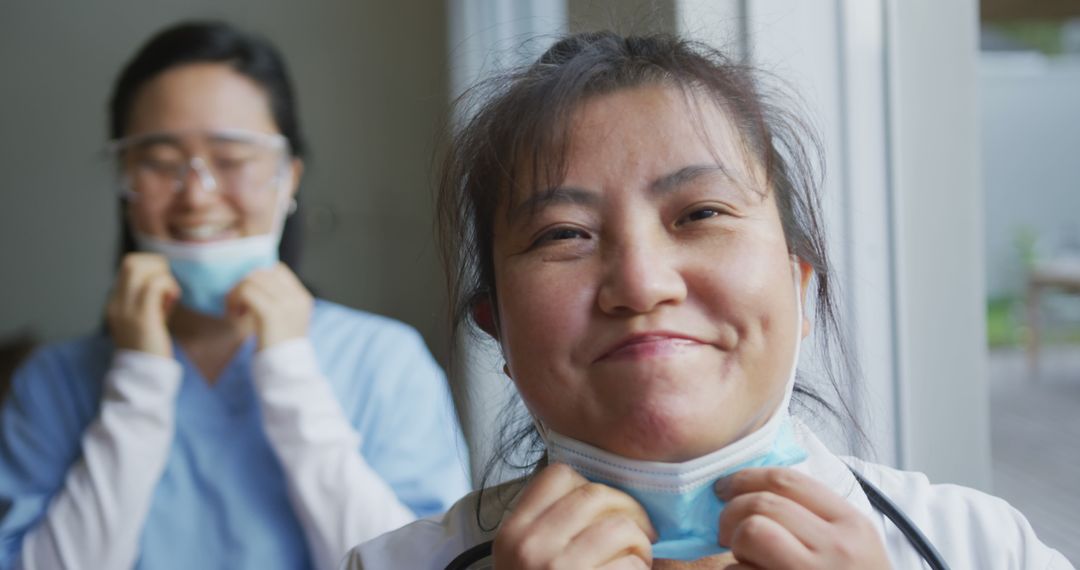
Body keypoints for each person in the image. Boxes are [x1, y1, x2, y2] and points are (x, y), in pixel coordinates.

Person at [343, 31, 1073, 569]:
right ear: (495, 327)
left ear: (799, 284)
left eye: (701, 214)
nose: (641, 284)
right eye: (565, 232)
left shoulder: (983, 547)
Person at [0, 20, 469, 570]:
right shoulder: (52, 385)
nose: (197, 195)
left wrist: (291, 377)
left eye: (231, 158)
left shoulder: (385, 363)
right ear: (124, 183)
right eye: (160, 161)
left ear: (288, 178)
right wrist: (138, 384)